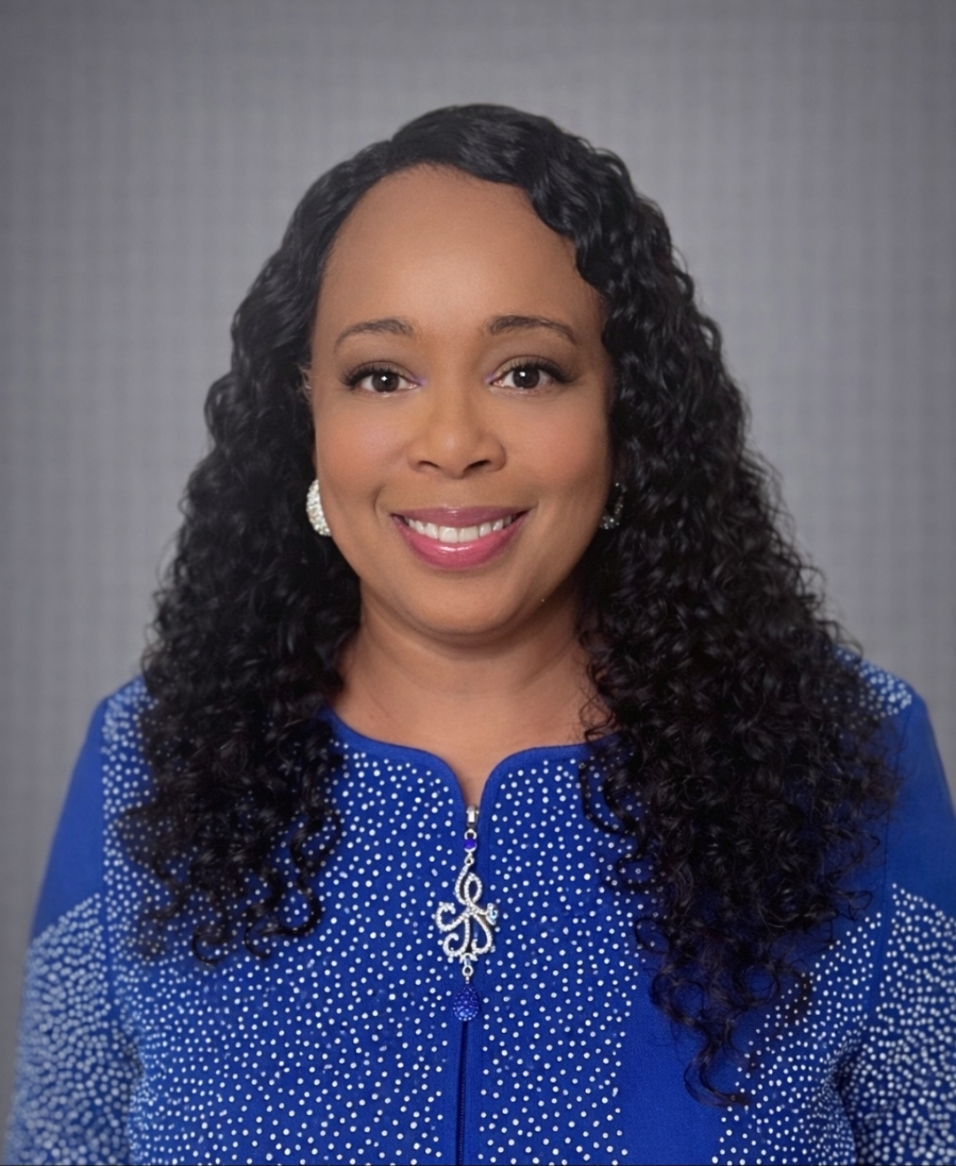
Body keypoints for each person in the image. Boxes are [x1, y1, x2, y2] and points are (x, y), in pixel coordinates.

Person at [5, 104, 955, 1166]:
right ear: (307, 415)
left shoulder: (850, 756)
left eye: (526, 371)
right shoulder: (146, 763)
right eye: (381, 376)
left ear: (625, 416)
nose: (452, 442)